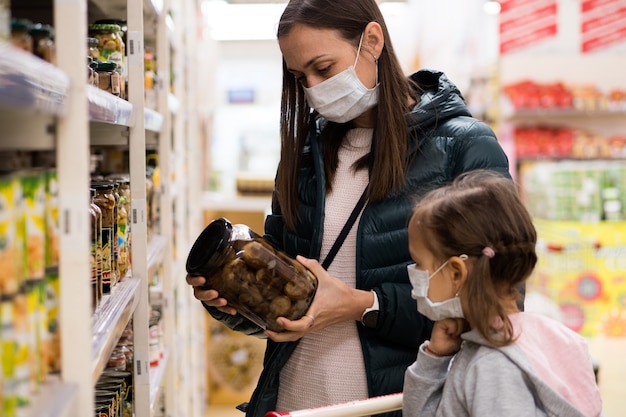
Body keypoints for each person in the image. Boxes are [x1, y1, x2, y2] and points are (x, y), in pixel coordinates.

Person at [187, 0, 511, 415]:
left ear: (372, 41)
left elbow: (498, 304)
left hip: (393, 403)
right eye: (299, 77)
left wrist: (364, 304)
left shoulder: (463, 148)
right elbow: (284, 303)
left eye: (323, 68)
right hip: (292, 400)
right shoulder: (304, 155)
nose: (313, 88)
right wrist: (234, 301)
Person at [403, 170, 603, 417]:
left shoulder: (493, 365)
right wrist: (434, 357)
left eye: (419, 263)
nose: (414, 274)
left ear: (456, 272)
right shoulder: (549, 336)